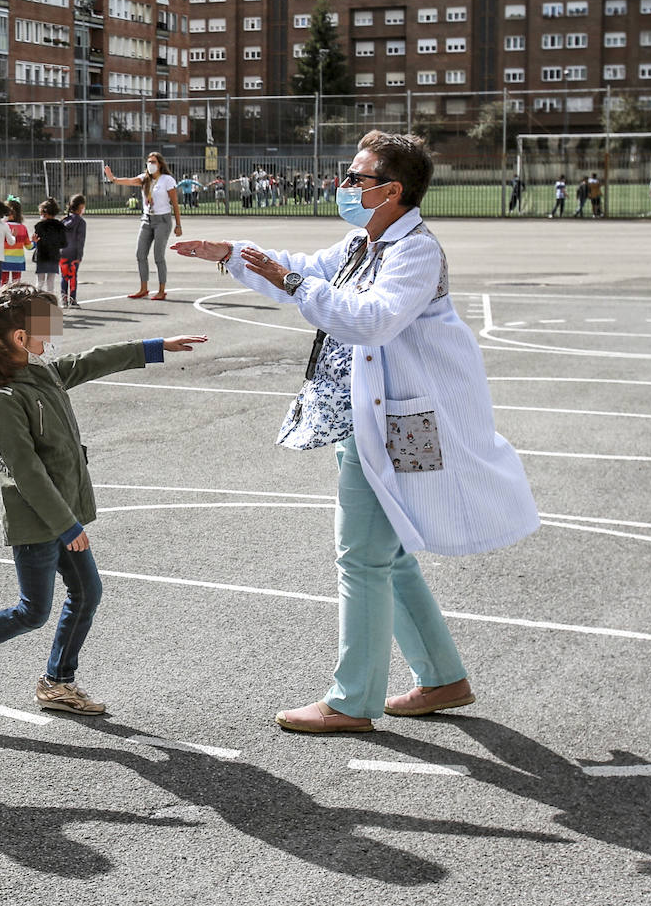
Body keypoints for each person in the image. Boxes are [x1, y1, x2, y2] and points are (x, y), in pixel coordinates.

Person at [172, 130, 539, 734]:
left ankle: (352, 700)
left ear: (392, 191)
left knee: (362, 557)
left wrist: (292, 283)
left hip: (401, 424)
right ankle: (443, 678)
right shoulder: (361, 243)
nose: (344, 186)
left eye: (356, 179)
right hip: (372, 416)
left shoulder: (414, 251)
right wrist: (230, 254)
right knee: (388, 557)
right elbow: (297, 270)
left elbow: (370, 320)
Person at [0, 282, 207, 716]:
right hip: (39, 520)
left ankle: (57, 683)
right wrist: (66, 526)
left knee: (87, 593)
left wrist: (155, 346)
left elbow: (92, 361)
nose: (50, 340)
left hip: (63, 515)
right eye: (45, 331)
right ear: (18, 338)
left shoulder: (42, 372)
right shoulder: (6, 399)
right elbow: (26, 473)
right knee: (32, 611)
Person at [104, 152, 181, 300]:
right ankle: (143, 288)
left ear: (160, 164)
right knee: (140, 254)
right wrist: (113, 179)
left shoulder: (167, 180)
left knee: (158, 256)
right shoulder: (144, 179)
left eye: (153, 162)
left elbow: (175, 204)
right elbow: (129, 181)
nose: (150, 165)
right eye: (149, 162)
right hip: (147, 219)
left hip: (162, 221)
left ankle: (161, 290)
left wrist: (178, 225)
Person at [31, 198, 67, 295]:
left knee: (40, 281)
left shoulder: (39, 226)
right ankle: (50, 300)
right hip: (53, 256)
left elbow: (35, 240)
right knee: (50, 282)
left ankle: (37, 299)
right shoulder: (60, 226)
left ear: (44, 213)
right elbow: (64, 243)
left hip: (41, 256)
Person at [60, 194, 87, 309]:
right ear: (81, 207)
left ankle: (64, 299)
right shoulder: (81, 222)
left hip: (62, 253)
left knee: (64, 276)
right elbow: (80, 241)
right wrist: (79, 255)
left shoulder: (63, 221)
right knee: (73, 276)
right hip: (74, 253)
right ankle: (72, 299)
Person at [1, 195, 31, 286]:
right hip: (18, 260)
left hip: (3, 259)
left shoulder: (2, 226)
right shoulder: (23, 228)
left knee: (3, 283)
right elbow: (29, 246)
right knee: (16, 283)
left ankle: (2, 299)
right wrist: (35, 242)